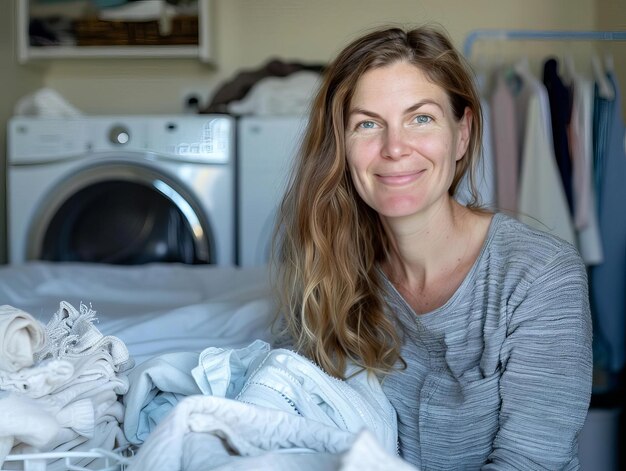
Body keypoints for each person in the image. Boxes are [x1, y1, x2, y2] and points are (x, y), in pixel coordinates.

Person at [271, 24, 592, 470]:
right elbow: (295, 416)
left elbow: (530, 463)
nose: (395, 148)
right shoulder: (328, 263)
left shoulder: (541, 276)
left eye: (420, 118)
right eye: (367, 124)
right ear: (340, 147)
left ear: (461, 135)